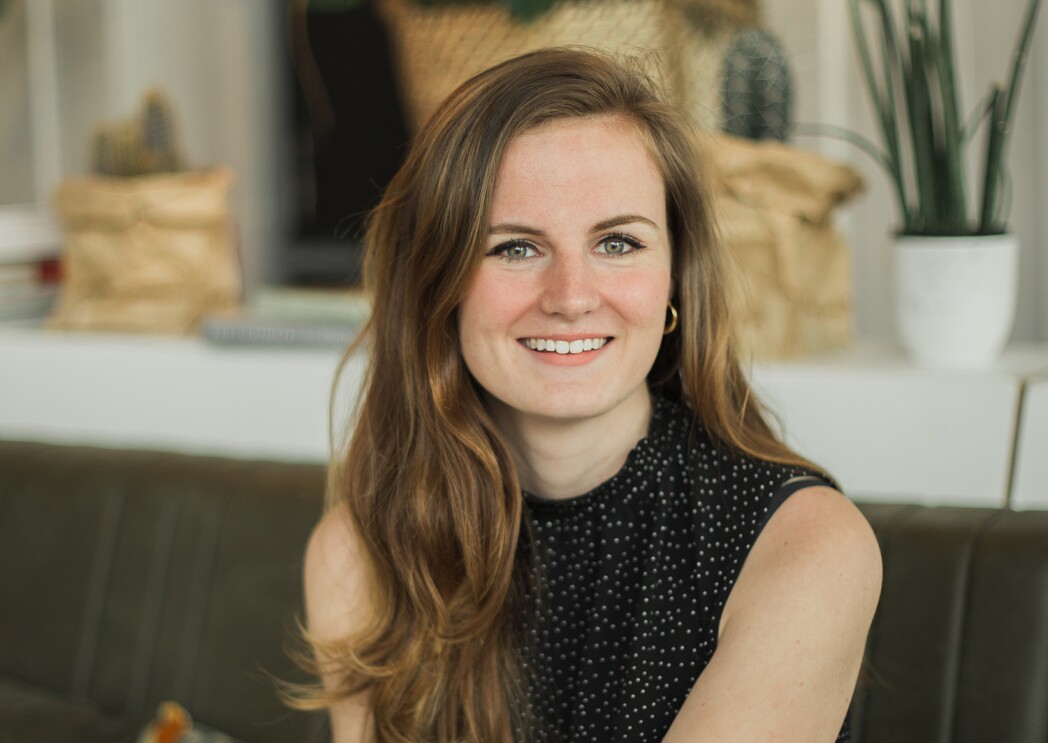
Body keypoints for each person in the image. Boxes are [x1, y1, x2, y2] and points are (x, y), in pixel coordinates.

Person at [298, 47, 881, 742]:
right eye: (515, 248)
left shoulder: (804, 545)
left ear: (675, 277)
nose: (571, 297)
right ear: (437, 287)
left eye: (618, 243)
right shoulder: (358, 554)